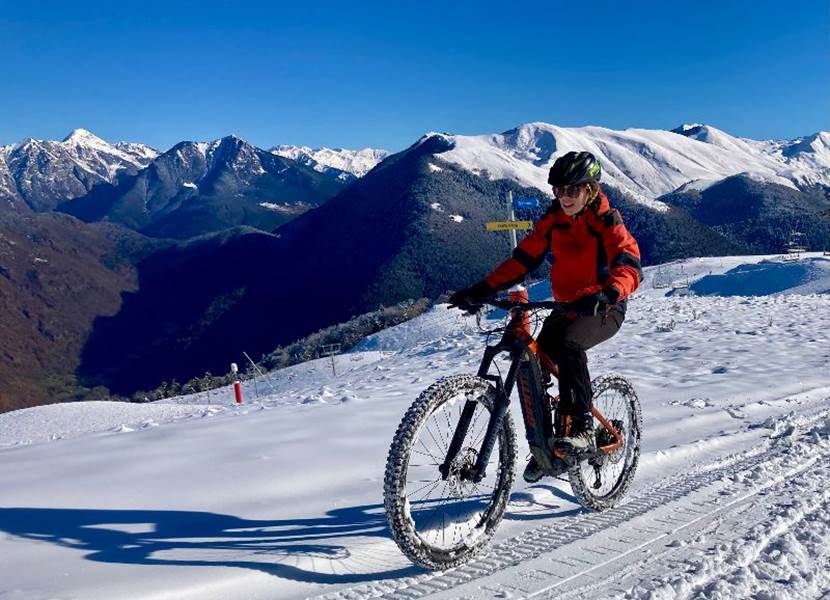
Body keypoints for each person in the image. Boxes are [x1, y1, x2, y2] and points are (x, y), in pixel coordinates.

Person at [448, 151, 642, 483]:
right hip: (566, 306)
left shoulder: (606, 222)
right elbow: (522, 260)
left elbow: (629, 263)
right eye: (558, 190)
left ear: (590, 189)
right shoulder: (553, 222)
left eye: (573, 190)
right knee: (534, 360)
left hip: (604, 307)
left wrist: (609, 292)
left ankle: (581, 427)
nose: (564, 197)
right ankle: (550, 447)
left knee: (569, 345)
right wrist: (480, 289)